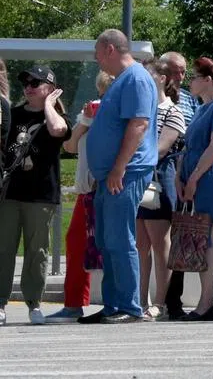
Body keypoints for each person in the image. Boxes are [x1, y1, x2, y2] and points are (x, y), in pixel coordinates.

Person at [80, 29, 159, 324]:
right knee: (106, 239)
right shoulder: (121, 81)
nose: (96, 59)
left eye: (98, 53)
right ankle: (113, 304)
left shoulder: (136, 78)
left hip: (125, 173)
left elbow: (138, 125)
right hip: (111, 175)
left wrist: (118, 167)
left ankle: (128, 306)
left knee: (120, 238)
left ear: (110, 49)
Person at [0, 64, 71, 326]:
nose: (28, 87)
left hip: (41, 196)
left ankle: (34, 303)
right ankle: (0, 303)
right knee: (3, 249)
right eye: (25, 83)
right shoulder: (12, 113)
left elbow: (58, 131)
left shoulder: (58, 117)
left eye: (35, 83)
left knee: (37, 251)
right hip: (10, 193)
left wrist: (50, 106)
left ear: (50, 89)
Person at [46, 71, 114, 323]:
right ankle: (74, 302)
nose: (102, 97)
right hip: (87, 190)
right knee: (76, 241)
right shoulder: (91, 112)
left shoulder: (119, 114)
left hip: (108, 188)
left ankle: (117, 302)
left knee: (111, 245)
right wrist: (84, 122)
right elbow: (70, 146)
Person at [174, 57, 213, 321]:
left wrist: (194, 178)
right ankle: (204, 301)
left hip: (209, 177)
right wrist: (180, 176)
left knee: (207, 234)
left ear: (207, 80)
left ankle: (206, 302)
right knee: (199, 236)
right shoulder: (201, 108)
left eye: (195, 76)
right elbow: (188, 147)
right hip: (194, 175)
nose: (190, 81)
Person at [135, 59, 186, 320]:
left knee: (159, 242)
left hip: (159, 180)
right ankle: (140, 299)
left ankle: (159, 302)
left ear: (163, 79)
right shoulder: (140, 109)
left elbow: (161, 148)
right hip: (138, 179)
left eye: (149, 75)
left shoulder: (172, 111)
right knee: (140, 244)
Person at [156, 51, 197, 318]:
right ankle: (157, 299)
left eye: (183, 71)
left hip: (182, 170)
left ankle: (174, 299)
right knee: (154, 238)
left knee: (179, 235)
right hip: (160, 170)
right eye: (175, 70)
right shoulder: (155, 98)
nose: (180, 76)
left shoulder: (191, 101)